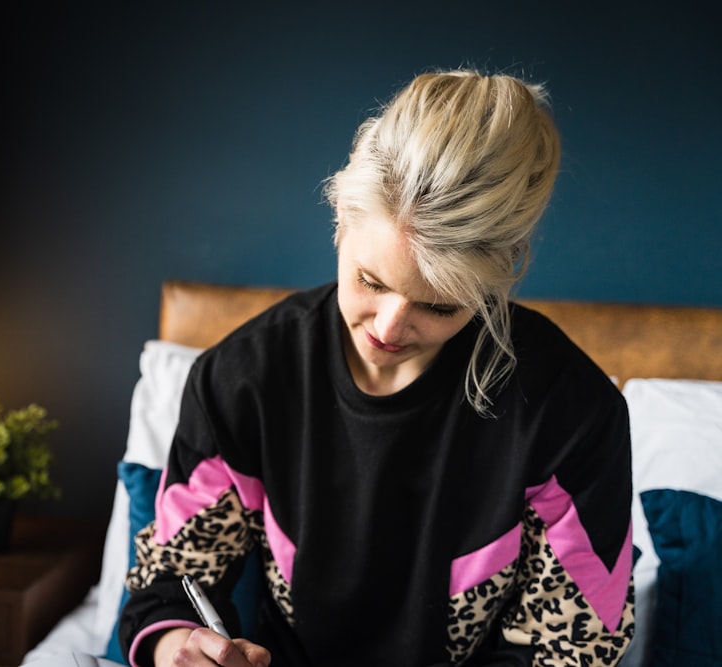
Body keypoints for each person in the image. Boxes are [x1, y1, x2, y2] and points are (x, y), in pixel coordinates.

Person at [118, 69, 634, 666]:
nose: (388, 329)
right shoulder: (244, 382)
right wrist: (179, 646)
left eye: (439, 305)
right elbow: (172, 581)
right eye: (370, 281)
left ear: (499, 275)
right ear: (339, 217)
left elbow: (572, 646)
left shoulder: (567, 412)